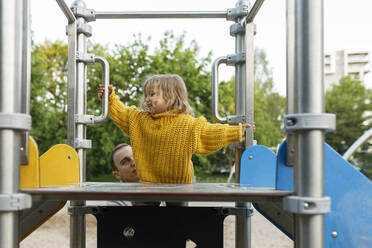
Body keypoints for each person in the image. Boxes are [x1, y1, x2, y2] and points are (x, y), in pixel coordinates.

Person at [99, 74, 253, 185]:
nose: (147, 99)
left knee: (178, 214)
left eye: (152, 94)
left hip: (180, 183)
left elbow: (209, 133)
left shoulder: (186, 124)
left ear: (171, 96)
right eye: (146, 95)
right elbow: (122, 113)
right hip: (148, 182)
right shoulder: (139, 120)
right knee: (142, 207)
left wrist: (237, 131)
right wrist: (110, 98)